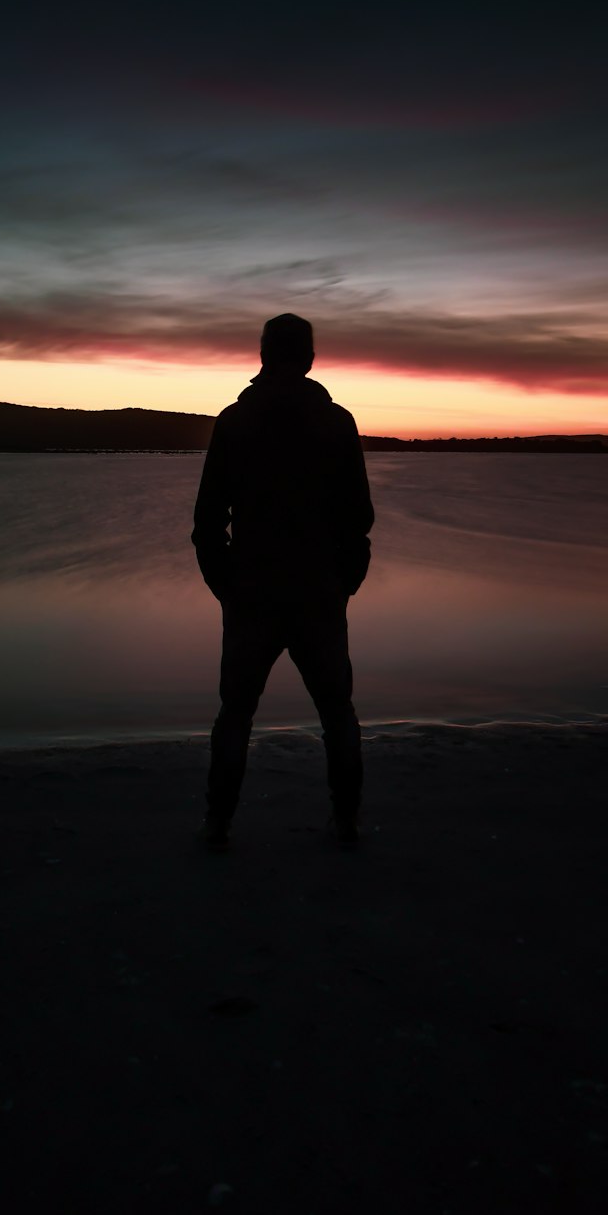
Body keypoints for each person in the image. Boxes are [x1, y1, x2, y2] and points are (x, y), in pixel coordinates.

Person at [192, 313, 374, 849]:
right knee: (337, 712)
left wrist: (225, 581)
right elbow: (358, 517)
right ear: (310, 357)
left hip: (254, 590)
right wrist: (345, 578)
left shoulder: (234, 421)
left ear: (265, 355)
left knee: (236, 714)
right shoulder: (336, 422)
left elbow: (207, 522)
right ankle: (346, 821)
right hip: (316, 590)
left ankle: (218, 824)